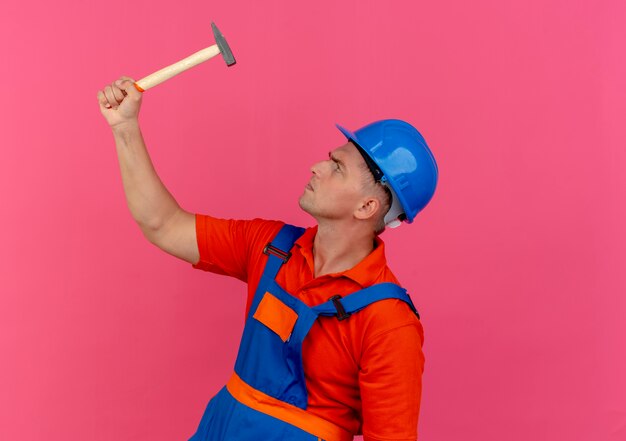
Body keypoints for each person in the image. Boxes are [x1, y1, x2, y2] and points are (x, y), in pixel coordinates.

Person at [97, 76, 438, 441]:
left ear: (367, 206)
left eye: (336, 167)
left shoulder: (388, 323)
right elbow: (163, 224)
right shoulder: (272, 247)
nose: (316, 167)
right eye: (328, 159)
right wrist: (125, 128)